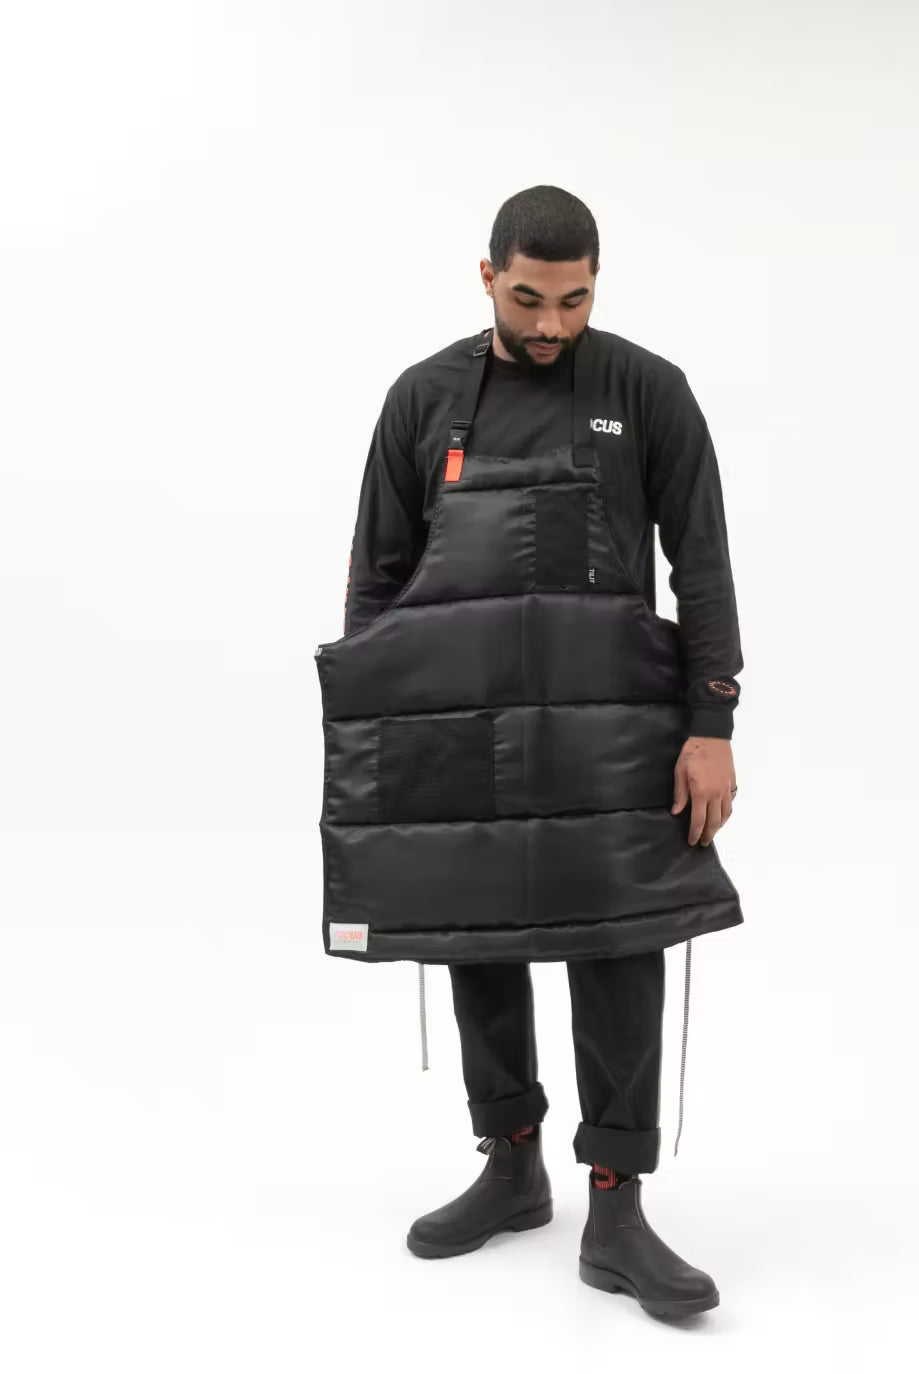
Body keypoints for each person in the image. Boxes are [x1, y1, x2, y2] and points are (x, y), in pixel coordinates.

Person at [315, 185, 744, 1320]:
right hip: (458, 724)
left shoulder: (647, 392)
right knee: (476, 937)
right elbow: (376, 578)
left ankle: (615, 1207)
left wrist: (711, 723)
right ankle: (510, 1166)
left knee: (619, 948)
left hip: (614, 727)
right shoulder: (423, 400)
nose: (551, 325)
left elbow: (701, 565)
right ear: (486, 277)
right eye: (527, 299)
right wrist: (380, 735)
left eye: (574, 301)